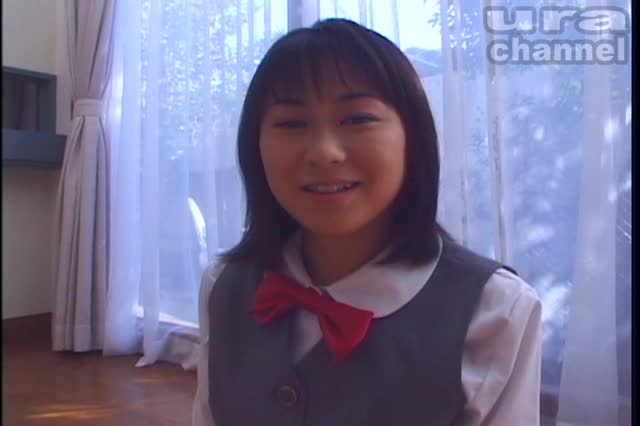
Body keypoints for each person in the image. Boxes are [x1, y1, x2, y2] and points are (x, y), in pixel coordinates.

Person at [193, 18, 542, 426]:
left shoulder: (495, 311)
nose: (324, 152)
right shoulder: (224, 285)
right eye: (291, 123)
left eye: (357, 119)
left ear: (413, 136)